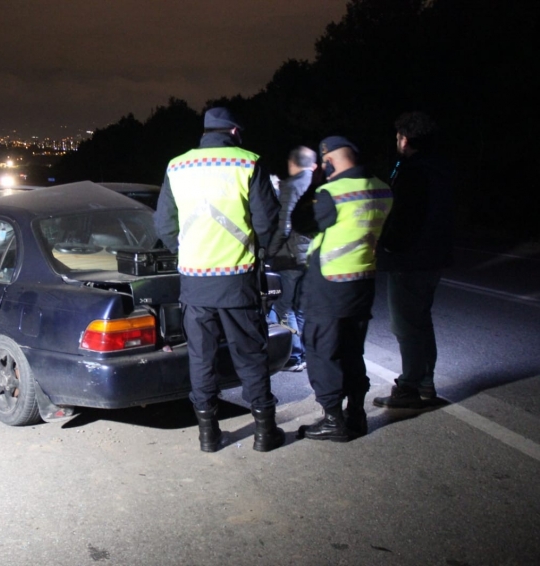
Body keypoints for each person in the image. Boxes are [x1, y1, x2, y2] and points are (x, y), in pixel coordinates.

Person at [154, 107, 283, 453]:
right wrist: (264, 253)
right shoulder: (248, 161)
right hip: (238, 281)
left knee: (201, 358)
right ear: (235, 132)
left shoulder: (177, 166)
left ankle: (208, 436)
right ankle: (264, 432)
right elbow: (267, 222)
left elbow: (164, 225)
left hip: (195, 283)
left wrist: (188, 253)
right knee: (251, 356)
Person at [291, 136, 393, 441]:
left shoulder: (330, 192)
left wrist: (315, 183)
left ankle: (333, 419)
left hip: (330, 284)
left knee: (323, 350)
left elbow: (301, 221)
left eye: (324, 163)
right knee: (352, 350)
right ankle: (356, 414)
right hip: (363, 280)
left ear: (329, 161)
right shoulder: (382, 187)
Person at [373, 112, 454, 408]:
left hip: (411, 259)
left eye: (398, 138)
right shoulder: (441, 168)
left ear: (405, 140)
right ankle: (425, 384)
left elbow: (405, 219)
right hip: (434, 257)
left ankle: (409, 387)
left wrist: (388, 246)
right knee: (421, 321)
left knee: (405, 325)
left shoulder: (413, 171)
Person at [267, 146, 317, 372]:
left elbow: (285, 226)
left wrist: (271, 250)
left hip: (290, 256)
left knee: (283, 307)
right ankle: (306, 353)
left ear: (292, 163)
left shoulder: (290, 186)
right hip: (313, 255)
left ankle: (293, 356)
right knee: (301, 308)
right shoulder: (318, 186)